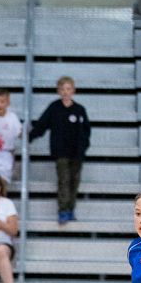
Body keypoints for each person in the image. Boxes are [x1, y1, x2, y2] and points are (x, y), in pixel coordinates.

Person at [29, 76, 90, 225]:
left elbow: (86, 131)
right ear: (58, 91)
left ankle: (71, 209)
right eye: (62, 89)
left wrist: (83, 148)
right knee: (64, 180)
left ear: (73, 91)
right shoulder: (54, 108)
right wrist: (31, 136)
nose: (65, 92)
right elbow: (42, 124)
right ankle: (63, 210)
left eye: (68, 89)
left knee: (74, 181)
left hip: (77, 153)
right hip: (60, 152)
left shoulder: (79, 110)